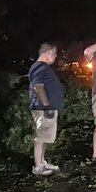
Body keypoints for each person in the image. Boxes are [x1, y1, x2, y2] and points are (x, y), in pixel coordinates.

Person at [28, 43, 64, 176]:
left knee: (44, 137)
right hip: (43, 109)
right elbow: (38, 86)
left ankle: (42, 162)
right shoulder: (40, 67)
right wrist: (47, 105)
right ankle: (38, 167)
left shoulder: (41, 68)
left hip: (46, 108)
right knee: (40, 137)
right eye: (54, 53)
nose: (55, 56)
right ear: (47, 53)